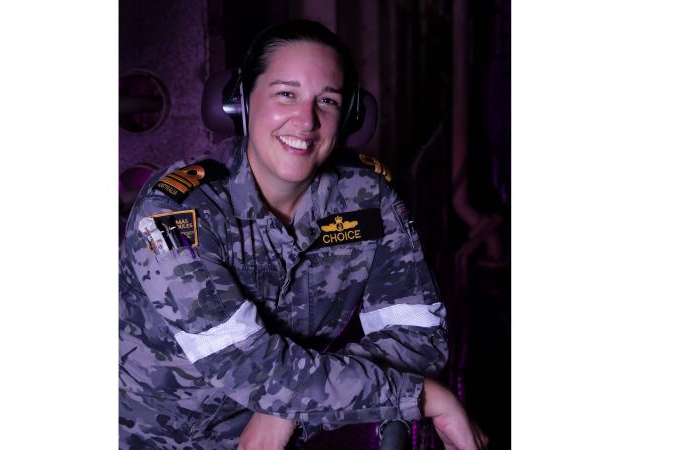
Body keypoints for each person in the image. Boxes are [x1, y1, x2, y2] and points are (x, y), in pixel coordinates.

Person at [119, 19, 487, 450]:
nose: (306, 120)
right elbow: (246, 365)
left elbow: (420, 338)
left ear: (351, 117)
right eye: (285, 94)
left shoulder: (367, 200)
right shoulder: (174, 212)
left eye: (327, 100)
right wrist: (423, 397)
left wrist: (281, 410)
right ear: (239, 102)